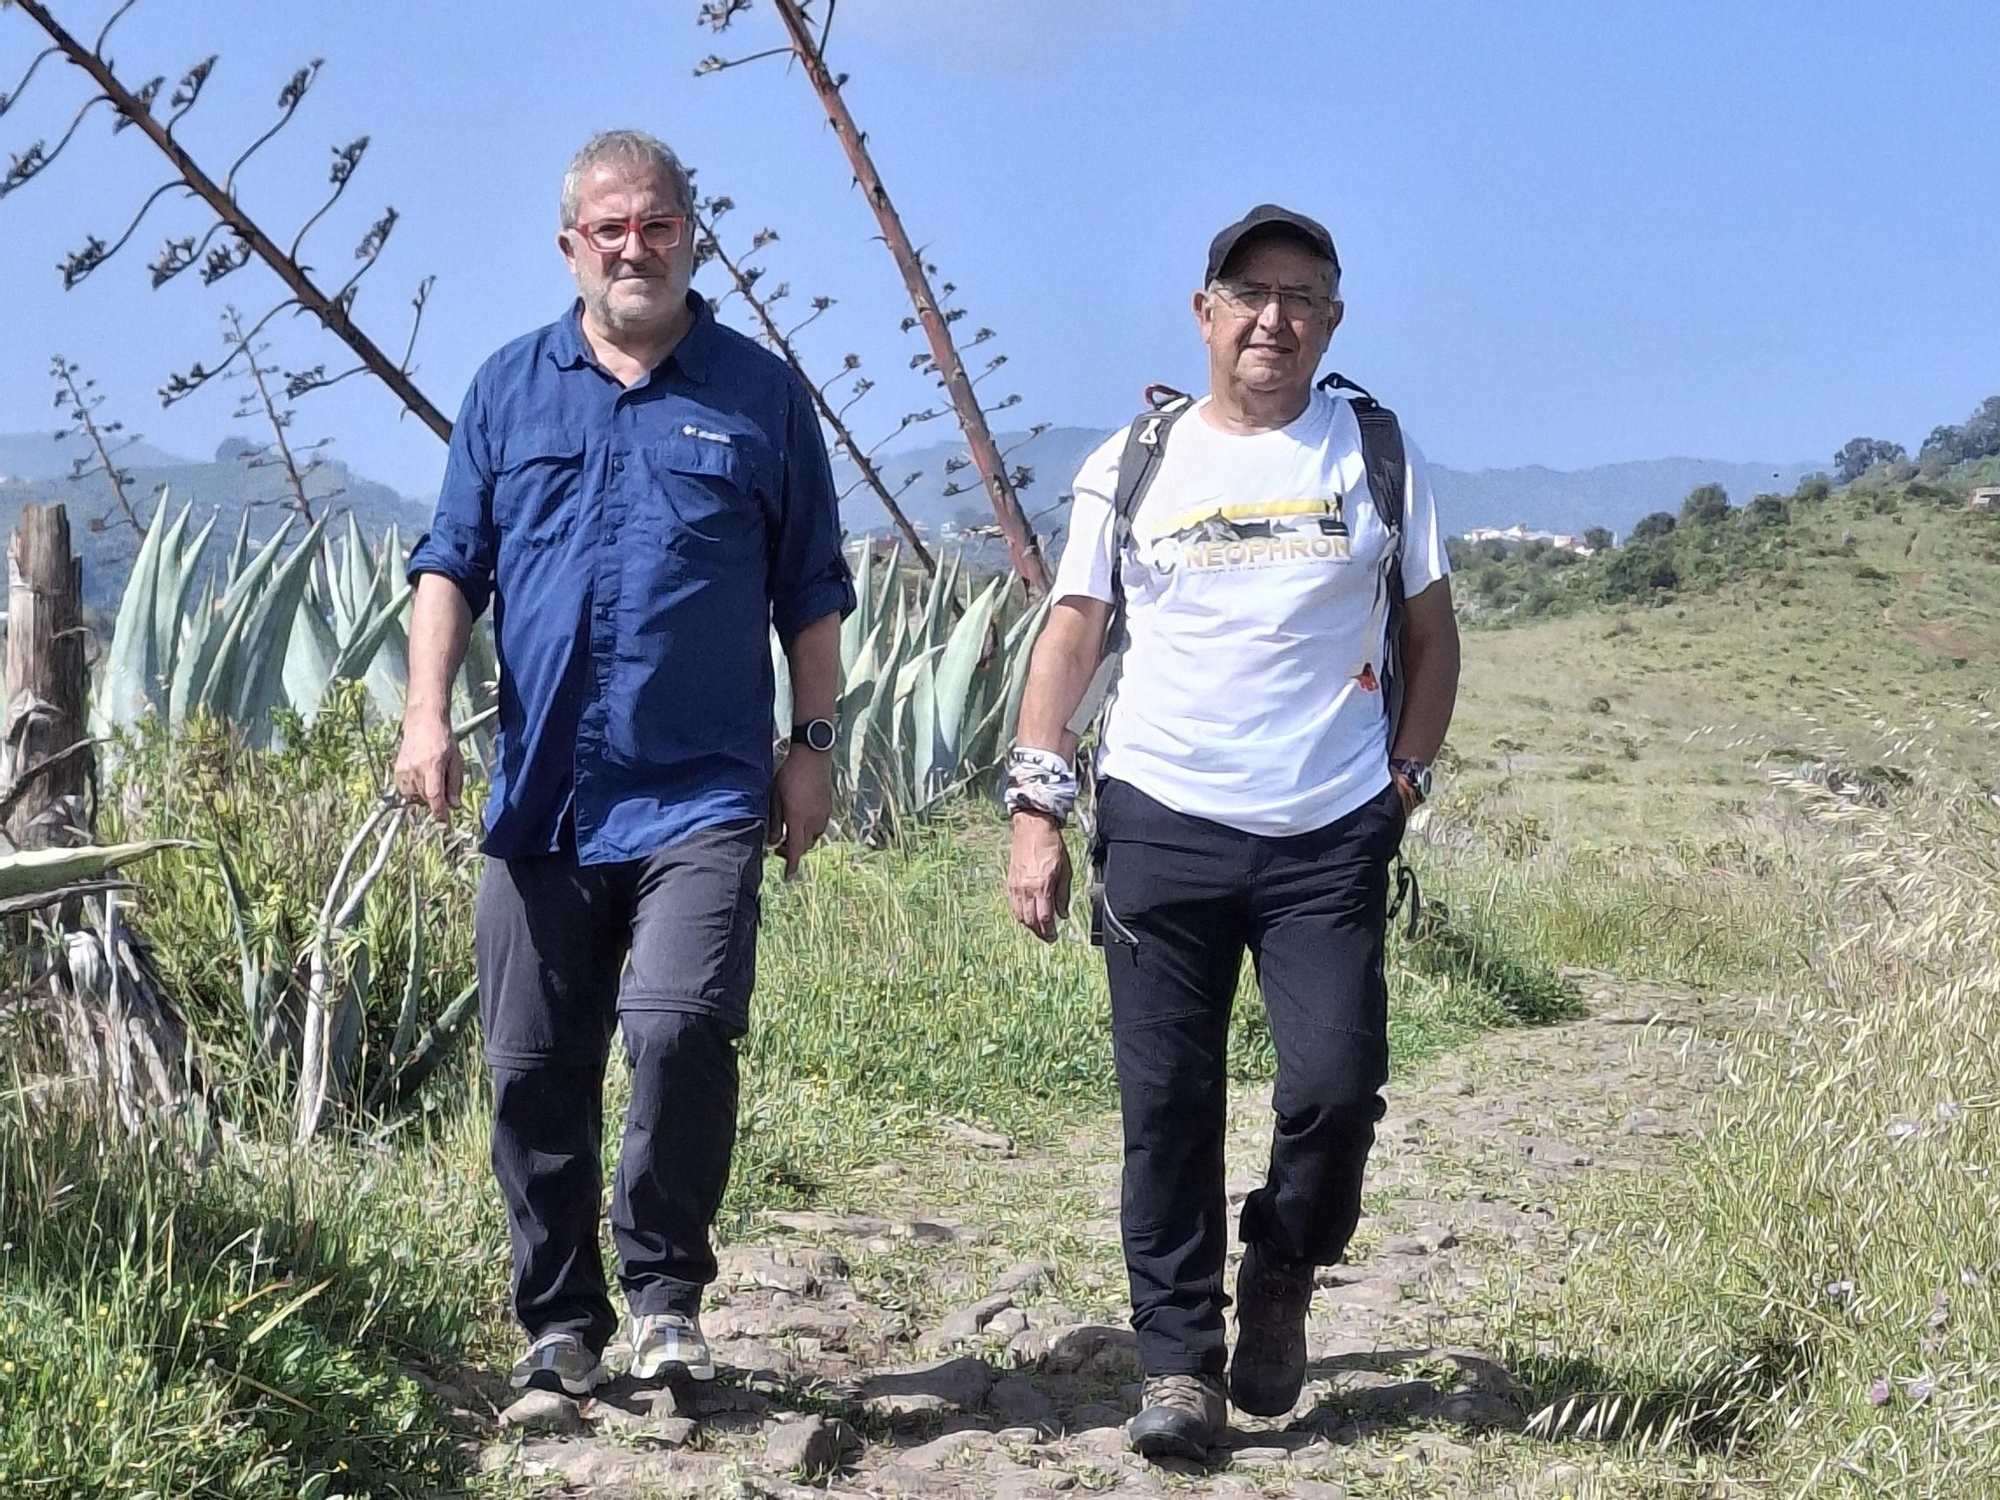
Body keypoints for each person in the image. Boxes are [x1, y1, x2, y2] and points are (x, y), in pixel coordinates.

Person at [396, 129, 853, 1398]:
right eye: (609, 229)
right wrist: (423, 715)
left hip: (701, 791)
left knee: (677, 1028)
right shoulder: (506, 389)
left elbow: (810, 590)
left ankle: (662, 1292)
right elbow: (449, 566)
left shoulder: (758, 395)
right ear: (570, 247)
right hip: (541, 792)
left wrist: (809, 749)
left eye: (654, 224)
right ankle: (558, 1320)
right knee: (531, 1066)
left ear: (689, 236)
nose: (633, 247)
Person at [1004, 205, 1460, 1459]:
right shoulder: (1135, 460)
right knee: (1166, 1103)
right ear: (1203, 311)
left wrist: (1401, 784)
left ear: (1332, 319)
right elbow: (1074, 631)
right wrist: (1036, 810)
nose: (1275, 316)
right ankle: (1177, 1368)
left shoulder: (1372, 451)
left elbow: (1428, 631)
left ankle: (1280, 1264)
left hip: (1325, 834)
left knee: (1332, 1086)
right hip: (1160, 821)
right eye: (1250, 292)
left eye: (1302, 294)